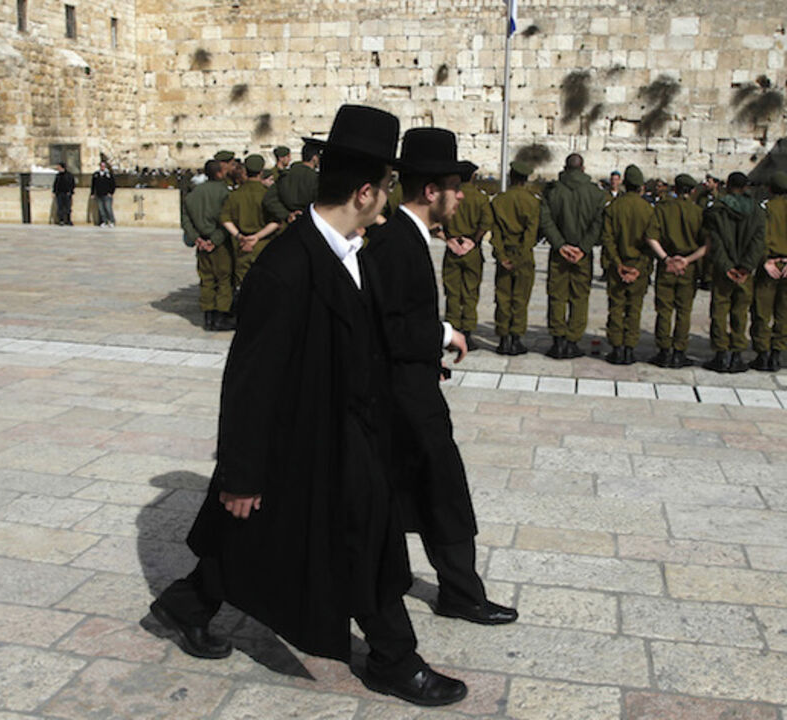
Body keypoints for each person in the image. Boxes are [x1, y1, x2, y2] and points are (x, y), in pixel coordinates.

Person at [151, 104, 467, 708]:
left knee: (296, 536)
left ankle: (186, 603)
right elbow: (248, 381)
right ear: (366, 191)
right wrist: (241, 474)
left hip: (348, 434)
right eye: (385, 189)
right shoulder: (287, 268)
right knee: (360, 538)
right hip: (306, 440)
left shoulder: (350, 251)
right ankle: (394, 659)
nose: (387, 203)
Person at [364, 126, 518, 633]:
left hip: (407, 392)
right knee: (443, 493)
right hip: (406, 399)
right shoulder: (395, 243)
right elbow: (389, 327)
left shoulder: (403, 237)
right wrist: (443, 335)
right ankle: (460, 594)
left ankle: (448, 586)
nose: (461, 195)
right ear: (432, 191)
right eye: (456, 185)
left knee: (408, 495)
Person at [539, 153, 605, 359]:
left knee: (557, 296)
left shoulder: (553, 191)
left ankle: (558, 341)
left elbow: (546, 220)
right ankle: (572, 341)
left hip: (559, 253)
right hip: (582, 255)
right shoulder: (596, 193)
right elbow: (598, 224)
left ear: (565, 168)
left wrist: (560, 245)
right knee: (579, 297)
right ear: (582, 168)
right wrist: (583, 248)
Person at [701, 172, 766, 373]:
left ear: (728, 186)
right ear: (746, 187)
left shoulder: (718, 209)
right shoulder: (757, 212)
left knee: (720, 310)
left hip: (723, 271)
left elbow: (715, 241)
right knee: (740, 312)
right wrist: (746, 267)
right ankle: (737, 355)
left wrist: (726, 266)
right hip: (745, 273)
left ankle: (720, 354)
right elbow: (758, 242)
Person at [601, 164, 659, 365]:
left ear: (625, 184)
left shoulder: (614, 207)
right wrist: (638, 268)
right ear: (641, 186)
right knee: (634, 308)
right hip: (638, 268)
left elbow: (607, 239)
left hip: (618, 266)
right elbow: (651, 242)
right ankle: (629, 349)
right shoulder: (648, 210)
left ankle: (616, 347)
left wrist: (618, 263)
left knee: (616, 307)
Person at [646, 174, 704, 368]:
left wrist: (667, 258)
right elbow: (707, 245)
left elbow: (651, 238)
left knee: (664, 310)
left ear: (675, 189)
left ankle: (663, 352)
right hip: (688, 266)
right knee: (684, 311)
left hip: (667, 265)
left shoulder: (662, 209)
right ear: (693, 191)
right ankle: (679, 352)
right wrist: (686, 260)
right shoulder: (698, 212)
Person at [749, 172, 787, 372]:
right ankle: (777, 354)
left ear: (770, 190)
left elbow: (759, 236)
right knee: (784, 312)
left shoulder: (765, 209)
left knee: (762, 311)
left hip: (769, 265)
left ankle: (762, 354)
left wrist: (765, 260)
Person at [489, 160, 541, 355]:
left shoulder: (498, 201)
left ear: (511, 177)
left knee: (503, 298)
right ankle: (516, 339)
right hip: (524, 258)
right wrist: (519, 259)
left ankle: (503, 339)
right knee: (520, 298)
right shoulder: (533, 202)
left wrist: (502, 256)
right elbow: (530, 235)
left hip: (505, 255)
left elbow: (495, 233)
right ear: (525, 179)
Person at [441, 170, 492, 349]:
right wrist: (473, 240)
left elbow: (440, 219)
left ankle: (452, 331)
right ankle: (468, 333)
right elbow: (486, 223)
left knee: (453, 293)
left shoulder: (450, 196)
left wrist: (449, 239)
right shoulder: (480, 198)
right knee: (470, 293)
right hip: (472, 250)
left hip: (453, 248)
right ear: (473, 176)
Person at [182, 159, 235, 331]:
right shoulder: (225, 193)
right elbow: (227, 219)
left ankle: (208, 317)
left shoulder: (193, 193)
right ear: (219, 173)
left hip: (201, 245)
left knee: (206, 279)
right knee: (224, 280)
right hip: (219, 245)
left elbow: (186, 220)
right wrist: (215, 240)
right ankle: (221, 317)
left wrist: (197, 238)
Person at [221, 154, 282, 288]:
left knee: (244, 286)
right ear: (261, 171)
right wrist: (256, 237)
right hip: (264, 244)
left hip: (242, 246)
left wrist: (240, 236)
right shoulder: (268, 194)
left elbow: (225, 219)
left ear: (245, 171)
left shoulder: (235, 195)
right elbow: (276, 221)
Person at [92, 161, 117, 227]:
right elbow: (93, 185)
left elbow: (113, 184)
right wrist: (93, 193)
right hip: (99, 194)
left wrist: (111, 192)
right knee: (101, 209)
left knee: (108, 208)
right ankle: (104, 221)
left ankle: (112, 221)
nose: (102, 167)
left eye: (103, 166)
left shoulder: (109, 174)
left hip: (107, 194)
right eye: (101, 166)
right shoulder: (96, 174)